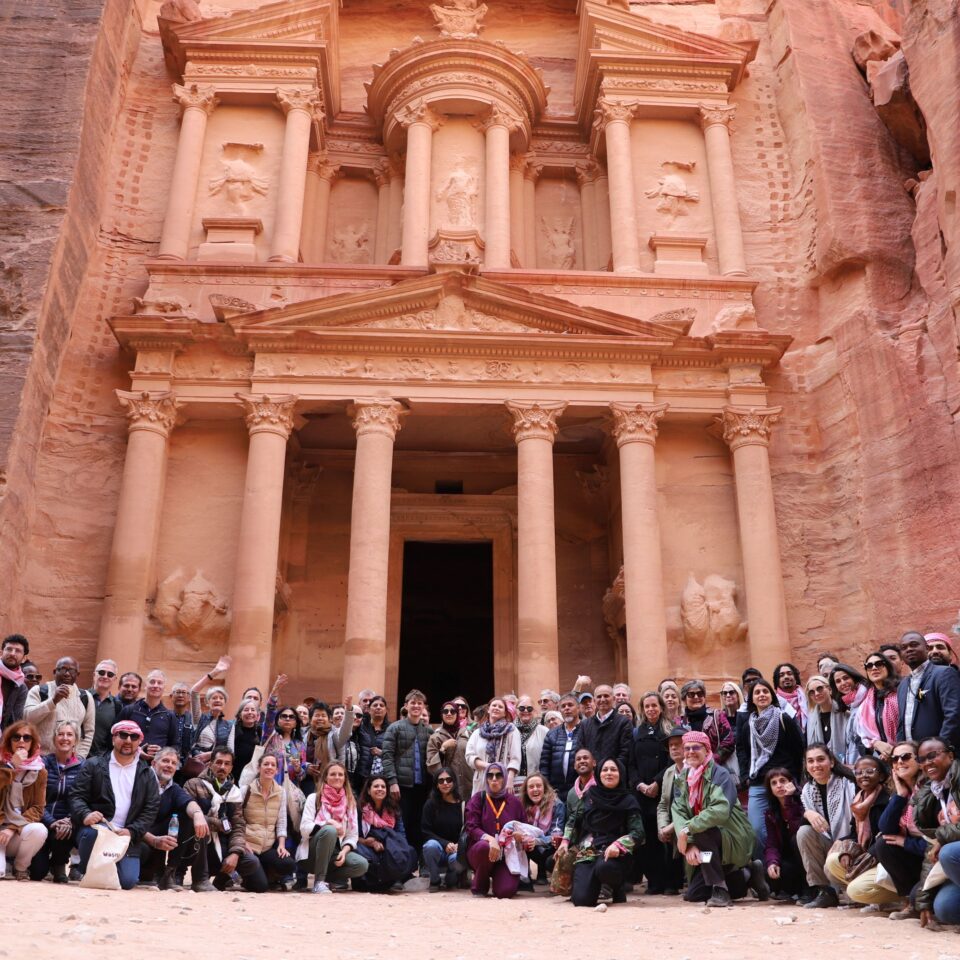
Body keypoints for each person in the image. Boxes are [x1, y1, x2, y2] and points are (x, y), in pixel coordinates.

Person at [670, 730, 760, 907]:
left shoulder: (720, 774)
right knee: (695, 894)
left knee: (704, 832)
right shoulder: (683, 778)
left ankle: (720, 889)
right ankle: (746, 875)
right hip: (705, 844)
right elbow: (677, 810)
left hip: (732, 834)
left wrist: (687, 830)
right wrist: (688, 843)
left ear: (707, 750)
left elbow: (720, 810)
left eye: (696, 747)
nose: (690, 752)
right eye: (686, 748)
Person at [69, 720, 160, 889]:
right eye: (123, 735)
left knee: (127, 882)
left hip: (126, 836)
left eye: (133, 737)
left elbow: (151, 808)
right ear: (113, 739)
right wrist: (85, 814)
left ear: (139, 741)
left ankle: (105, 868)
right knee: (90, 836)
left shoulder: (147, 773)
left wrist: (132, 831)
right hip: (98, 830)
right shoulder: (94, 764)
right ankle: (86, 868)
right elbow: (76, 795)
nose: (128, 740)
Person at [559, 758, 642, 906]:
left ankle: (617, 888)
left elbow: (638, 833)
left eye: (613, 770)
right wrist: (565, 841)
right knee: (581, 900)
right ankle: (593, 887)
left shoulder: (629, 800)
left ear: (621, 773)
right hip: (589, 850)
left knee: (605, 868)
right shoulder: (589, 796)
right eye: (605, 770)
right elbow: (574, 819)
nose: (609, 773)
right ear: (598, 773)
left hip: (616, 854)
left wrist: (619, 845)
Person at [822, 755, 898, 911]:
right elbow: (853, 834)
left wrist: (862, 858)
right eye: (859, 772)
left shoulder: (887, 800)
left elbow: (884, 836)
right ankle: (870, 898)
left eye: (870, 771)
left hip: (884, 857)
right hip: (868, 854)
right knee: (833, 860)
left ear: (882, 776)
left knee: (856, 890)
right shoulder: (858, 801)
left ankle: (894, 897)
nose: (864, 775)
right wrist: (845, 851)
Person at [184, 747, 263, 891]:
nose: (222, 767)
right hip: (198, 842)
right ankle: (199, 879)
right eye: (218, 762)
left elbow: (238, 825)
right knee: (199, 828)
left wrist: (235, 853)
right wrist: (217, 824)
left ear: (232, 767)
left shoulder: (235, 792)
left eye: (227, 764)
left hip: (223, 843)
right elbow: (187, 817)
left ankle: (221, 880)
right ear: (210, 763)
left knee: (251, 862)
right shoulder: (193, 784)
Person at [743, 678, 804, 853]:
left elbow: (798, 749)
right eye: (757, 692)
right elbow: (745, 752)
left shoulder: (784, 719)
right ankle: (768, 871)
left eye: (765, 691)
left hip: (784, 781)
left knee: (790, 827)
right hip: (759, 782)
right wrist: (746, 775)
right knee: (756, 830)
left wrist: (794, 778)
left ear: (772, 695)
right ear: (751, 699)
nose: (761, 695)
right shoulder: (749, 725)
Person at [138, 746, 210, 891]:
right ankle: (153, 874)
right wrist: (152, 839)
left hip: (160, 838)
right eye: (165, 761)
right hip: (139, 836)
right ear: (153, 763)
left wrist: (198, 814)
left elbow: (188, 802)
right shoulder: (140, 780)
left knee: (188, 817)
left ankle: (171, 872)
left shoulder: (173, 788)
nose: (169, 765)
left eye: (173, 763)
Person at [796, 743, 856, 908]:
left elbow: (859, 824)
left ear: (831, 762)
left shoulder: (849, 784)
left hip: (852, 844)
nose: (816, 765)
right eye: (811, 761)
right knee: (804, 832)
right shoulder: (807, 790)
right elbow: (802, 822)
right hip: (829, 845)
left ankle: (851, 888)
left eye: (821, 759)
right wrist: (807, 813)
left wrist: (843, 843)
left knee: (858, 895)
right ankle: (824, 891)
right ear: (806, 766)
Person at [872, 740, 926, 917]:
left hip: (935, 857)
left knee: (944, 908)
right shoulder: (901, 792)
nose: (900, 762)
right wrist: (901, 795)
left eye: (906, 757)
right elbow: (885, 827)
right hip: (917, 856)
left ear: (919, 760)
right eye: (895, 759)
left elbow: (937, 842)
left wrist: (906, 842)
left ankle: (917, 900)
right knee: (883, 843)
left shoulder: (930, 790)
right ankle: (908, 901)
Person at [297, 760, 368, 894]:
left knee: (361, 865)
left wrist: (344, 851)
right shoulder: (314, 798)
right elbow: (304, 829)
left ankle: (328, 877)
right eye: (333, 774)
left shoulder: (350, 801)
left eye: (340, 775)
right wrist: (329, 823)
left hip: (335, 853)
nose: (337, 777)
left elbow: (353, 835)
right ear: (325, 777)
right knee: (330, 830)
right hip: (311, 855)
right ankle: (319, 882)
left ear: (345, 778)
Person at [911, 737, 960, 926]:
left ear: (950, 755)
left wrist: (942, 836)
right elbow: (932, 852)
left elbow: (940, 841)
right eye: (922, 759)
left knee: (949, 852)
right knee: (944, 908)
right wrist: (924, 901)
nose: (927, 763)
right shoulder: (931, 794)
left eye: (933, 755)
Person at [463, 762, 529, 898]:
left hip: (506, 855)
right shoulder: (478, 799)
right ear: (486, 778)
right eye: (490, 775)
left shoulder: (515, 802)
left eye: (498, 775)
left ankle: (499, 879)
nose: (494, 779)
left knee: (506, 892)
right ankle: (480, 885)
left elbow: (524, 827)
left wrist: (520, 836)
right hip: (480, 852)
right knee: (484, 847)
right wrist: (490, 839)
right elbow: (471, 827)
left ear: (504, 778)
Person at [30, 719, 84, 883]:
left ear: (76, 740)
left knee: (65, 831)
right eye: (60, 734)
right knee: (37, 873)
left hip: (67, 826)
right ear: (54, 739)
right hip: (42, 821)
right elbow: (35, 799)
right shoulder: (42, 763)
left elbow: (82, 799)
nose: (64, 738)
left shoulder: (84, 767)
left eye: (69, 734)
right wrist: (51, 821)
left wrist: (69, 819)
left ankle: (59, 864)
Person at [381, 688, 434, 855]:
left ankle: (420, 860)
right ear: (406, 706)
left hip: (422, 786)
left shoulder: (429, 731)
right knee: (402, 823)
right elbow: (387, 756)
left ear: (424, 707)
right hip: (401, 786)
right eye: (413, 703)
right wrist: (392, 782)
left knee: (420, 823)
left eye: (419, 703)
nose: (416, 706)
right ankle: (404, 861)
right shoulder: (394, 728)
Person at [630, 691, 671, 894]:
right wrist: (640, 785)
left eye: (654, 705)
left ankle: (669, 881)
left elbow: (673, 761)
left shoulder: (669, 731)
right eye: (647, 706)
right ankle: (654, 881)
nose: (651, 709)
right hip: (641, 793)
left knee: (663, 837)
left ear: (661, 707)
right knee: (647, 840)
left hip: (663, 792)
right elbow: (631, 764)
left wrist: (656, 782)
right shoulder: (636, 733)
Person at [238, 753, 296, 891]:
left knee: (288, 864)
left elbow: (281, 822)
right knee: (261, 887)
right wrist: (243, 843)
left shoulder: (281, 792)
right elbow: (237, 820)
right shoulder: (245, 790)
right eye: (266, 764)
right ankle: (245, 876)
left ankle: (264, 873)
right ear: (258, 768)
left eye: (273, 765)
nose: (269, 767)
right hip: (248, 846)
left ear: (277, 770)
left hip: (267, 847)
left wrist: (281, 845)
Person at [0, 720, 48, 880]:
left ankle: (20, 867)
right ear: (9, 741)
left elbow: (38, 808)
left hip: (16, 830)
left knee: (40, 830)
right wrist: (12, 767)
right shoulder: (2, 764)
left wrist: (12, 828)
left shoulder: (40, 771)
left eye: (26, 738)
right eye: (16, 737)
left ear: (32, 743)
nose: (21, 741)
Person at [354, 774, 417, 892]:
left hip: (390, 844)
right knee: (367, 855)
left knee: (410, 851)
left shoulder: (393, 809)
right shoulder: (360, 809)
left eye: (383, 787)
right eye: (376, 786)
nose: (380, 789)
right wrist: (368, 842)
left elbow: (400, 834)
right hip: (366, 844)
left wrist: (395, 846)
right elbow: (352, 834)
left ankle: (396, 879)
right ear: (368, 790)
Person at [896, 631, 960, 748]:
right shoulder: (902, 685)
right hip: (913, 758)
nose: (909, 649)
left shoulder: (944, 673)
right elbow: (902, 724)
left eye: (914, 645)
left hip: (940, 755)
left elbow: (953, 714)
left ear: (926, 648)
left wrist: (940, 747)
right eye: (904, 648)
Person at [24, 656, 95, 757]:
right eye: (62, 669)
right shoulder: (39, 691)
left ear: (77, 674)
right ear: (54, 672)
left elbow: (89, 731)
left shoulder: (86, 697)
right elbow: (28, 719)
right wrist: (53, 701)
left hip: (71, 762)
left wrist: (80, 757)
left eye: (71, 670)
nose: (67, 673)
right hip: (41, 759)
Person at [763, 767, 809, 902]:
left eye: (782, 781)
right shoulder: (771, 813)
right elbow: (771, 844)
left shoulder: (803, 803)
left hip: (807, 859)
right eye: (774, 783)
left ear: (791, 783)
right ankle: (791, 892)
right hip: (789, 860)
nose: (779, 785)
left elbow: (797, 828)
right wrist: (772, 862)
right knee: (769, 870)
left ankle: (808, 888)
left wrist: (788, 799)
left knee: (797, 838)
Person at [117, 669, 180, 760]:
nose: (155, 685)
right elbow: (115, 736)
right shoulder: (129, 710)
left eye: (159, 683)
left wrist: (163, 751)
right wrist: (137, 751)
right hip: (129, 763)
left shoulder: (169, 716)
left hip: (156, 768)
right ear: (145, 686)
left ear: (164, 688)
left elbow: (176, 746)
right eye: (152, 682)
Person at [421, 765, 465, 890]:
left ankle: (451, 877)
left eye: (448, 780)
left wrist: (458, 846)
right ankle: (434, 880)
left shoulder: (462, 805)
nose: (445, 783)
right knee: (430, 846)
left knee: (460, 859)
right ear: (436, 784)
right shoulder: (430, 805)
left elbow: (467, 831)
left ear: (454, 782)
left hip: (456, 852)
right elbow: (425, 831)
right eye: (441, 781)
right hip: (438, 850)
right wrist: (445, 844)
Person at [655, 726, 687, 895]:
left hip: (692, 826)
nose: (674, 748)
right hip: (672, 827)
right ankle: (672, 882)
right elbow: (662, 804)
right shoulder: (668, 773)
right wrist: (663, 826)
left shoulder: (695, 770)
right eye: (671, 745)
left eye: (678, 744)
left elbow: (693, 809)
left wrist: (672, 826)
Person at [465, 696, 521, 795]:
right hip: (481, 781)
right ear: (488, 709)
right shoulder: (478, 732)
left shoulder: (511, 730)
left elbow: (515, 758)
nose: (496, 708)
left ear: (505, 713)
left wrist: (510, 779)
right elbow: (469, 755)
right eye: (494, 705)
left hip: (503, 780)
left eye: (500, 707)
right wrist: (489, 766)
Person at [519, 772, 564, 885]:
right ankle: (524, 877)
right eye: (531, 787)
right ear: (526, 790)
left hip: (550, 847)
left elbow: (557, 835)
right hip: (531, 846)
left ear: (545, 788)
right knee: (523, 840)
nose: (535, 789)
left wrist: (537, 841)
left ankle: (543, 873)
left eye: (539, 786)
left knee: (554, 844)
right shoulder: (522, 805)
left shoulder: (556, 804)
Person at [857, 651, 900, 760]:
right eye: (869, 665)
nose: (874, 668)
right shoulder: (866, 702)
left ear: (888, 667)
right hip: (881, 758)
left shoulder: (901, 691)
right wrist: (875, 743)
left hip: (904, 752)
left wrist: (893, 750)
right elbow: (863, 734)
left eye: (879, 664)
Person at [805, 674, 856, 763]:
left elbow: (853, 746)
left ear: (829, 689)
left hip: (847, 767)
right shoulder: (810, 721)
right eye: (811, 692)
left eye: (820, 688)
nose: (816, 693)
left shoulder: (845, 713)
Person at [679, 680, 734, 762]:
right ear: (684, 699)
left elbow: (729, 742)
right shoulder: (679, 722)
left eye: (700, 694)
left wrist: (710, 761)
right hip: (688, 769)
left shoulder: (717, 716)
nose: (696, 697)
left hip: (715, 769)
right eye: (691, 694)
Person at [579, 684, 632, 769]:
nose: (602, 699)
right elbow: (581, 751)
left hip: (613, 775)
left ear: (614, 699)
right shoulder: (585, 724)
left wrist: (609, 770)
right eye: (599, 697)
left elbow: (625, 753)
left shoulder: (624, 722)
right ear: (594, 700)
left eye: (606, 696)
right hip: (591, 775)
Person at [427, 700, 471, 799]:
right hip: (446, 788)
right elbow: (430, 766)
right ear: (441, 715)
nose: (449, 714)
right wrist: (443, 748)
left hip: (468, 785)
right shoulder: (435, 737)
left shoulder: (467, 733)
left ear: (457, 714)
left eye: (452, 711)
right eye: (445, 711)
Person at [539, 692, 581, 796]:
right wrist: (547, 790)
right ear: (560, 710)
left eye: (570, 705)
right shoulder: (552, 734)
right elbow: (544, 765)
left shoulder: (587, 730)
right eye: (563, 706)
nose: (567, 708)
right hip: (556, 792)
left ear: (578, 708)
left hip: (581, 790)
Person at [261, 701, 306, 786]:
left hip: (290, 792)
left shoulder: (298, 745)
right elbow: (269, 717)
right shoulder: (270, 736)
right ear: (277, 720)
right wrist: (273, 699)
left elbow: (302, 777)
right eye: (284, 716)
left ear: (296, 723)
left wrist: (298, 769)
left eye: (291, 717)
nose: (287, 719)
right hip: (269, 788)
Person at [827, 663, 869, 757]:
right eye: (838, 681)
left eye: (846, 678)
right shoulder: (851, 705)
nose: (843, 683)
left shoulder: (868, 698)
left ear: (854, 677)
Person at [87, 659, 122, 757]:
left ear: (115, 679)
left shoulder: (117, 705)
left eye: (110, 674)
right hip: (75, 757)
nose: (105, 676)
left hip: (99, 760)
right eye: (101, 672)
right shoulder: (81, 697)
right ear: (94, 675)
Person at [515, 695, 547, 790]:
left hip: (536, 784)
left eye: (529, 708)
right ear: (516, 710)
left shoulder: (544, 731)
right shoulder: (509, 730)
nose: (525, 711)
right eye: (521, 708)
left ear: (534, 711)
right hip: (514, 783)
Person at [357, 694, 390, 784]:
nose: (378, 707)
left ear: (386, 710)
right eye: (375, 705)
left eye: (381, 705)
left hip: (382, 778)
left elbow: (396, 754)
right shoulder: (360, 727)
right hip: (361, 775)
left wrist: (381, 753)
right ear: (368, 710)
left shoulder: (392, 729)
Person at [0, 634, 28, 730]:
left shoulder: (21, 687)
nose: (12, 653)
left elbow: (15, 721)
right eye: (9, 649)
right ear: (1, 652)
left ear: (24, 658)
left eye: (18, 651)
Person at [232, 698, 263, 778]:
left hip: (252, 775)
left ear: (257, 715)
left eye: (253, 710)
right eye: (246, 710)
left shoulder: (260, 731)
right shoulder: (233, 729)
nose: (250, 712)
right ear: (240, 714)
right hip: (234, 772)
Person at [169, 682, 195, 765]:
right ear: (171, 696)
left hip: (187, 764)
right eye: (177, 692)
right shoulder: (164, 717)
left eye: (184, 692)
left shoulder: (194, 720)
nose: (180, 695)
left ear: (189, 697)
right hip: (167, 760)